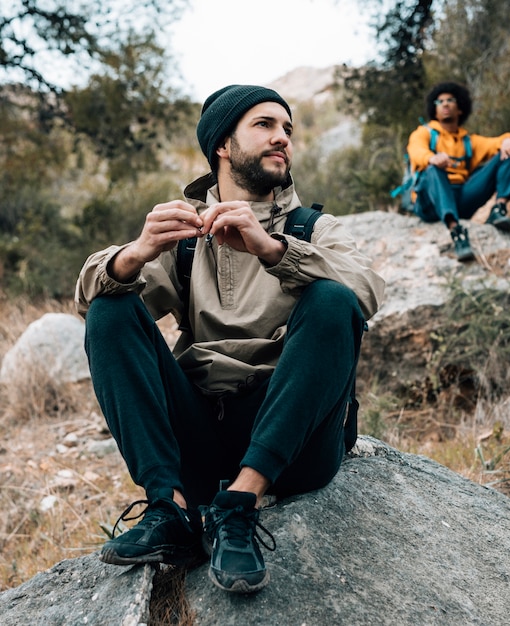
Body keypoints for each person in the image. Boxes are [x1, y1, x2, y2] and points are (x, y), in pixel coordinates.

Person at [75, 84, 385, 594]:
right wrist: (134, 251)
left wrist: (273, 249)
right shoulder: (184, 236)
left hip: (293, 441)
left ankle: (239, 505)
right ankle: (169, 511)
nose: (282, 138)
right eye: (264, 125)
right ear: (223, 144)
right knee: (111, 309)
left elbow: (368, 290)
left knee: (334, 301)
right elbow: (92, 302)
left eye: (287, 129)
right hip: (200, 432)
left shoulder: (313, 227)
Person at [406, 81, 510, 261]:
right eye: (439, 102)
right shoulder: (424, 133)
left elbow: (497, 142)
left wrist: (508, 139)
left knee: (509, 152)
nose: (444, 104)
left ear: (460, 109)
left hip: (461, 200)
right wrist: (432, 158)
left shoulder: (468, 141)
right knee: (433, 170)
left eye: (450, 100)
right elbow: (416, 150)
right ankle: (456, 232)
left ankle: (499, 208)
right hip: (430, 202)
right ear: (434, 110)